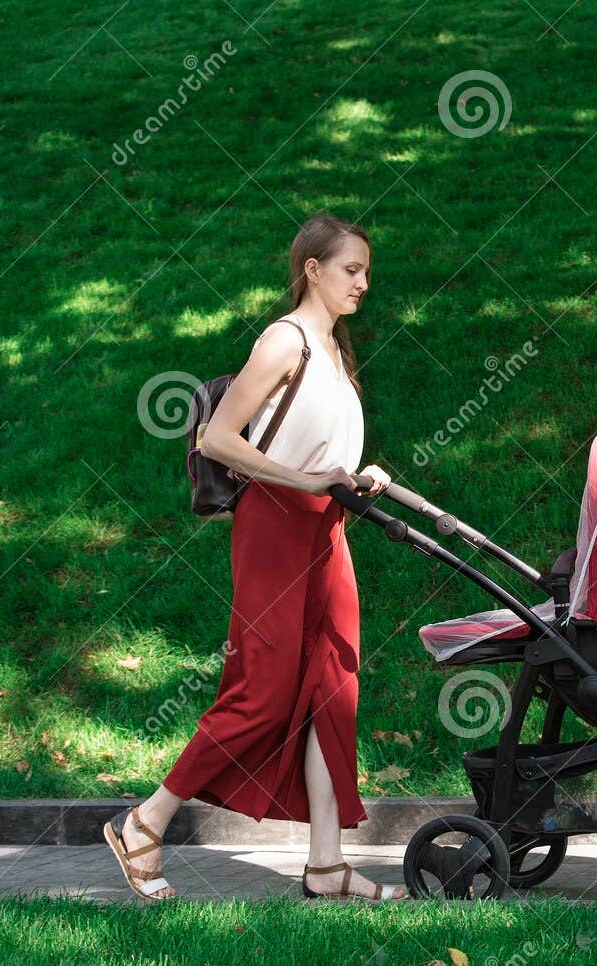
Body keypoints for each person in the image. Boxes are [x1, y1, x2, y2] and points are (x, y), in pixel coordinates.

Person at [103, 213, 406, 903]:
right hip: (275, 530)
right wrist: (306, 480)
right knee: (263, 694)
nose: (364, 282)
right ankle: (143, 822)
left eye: (365, 270)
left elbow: (318, 448)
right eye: (351, 269)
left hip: (326, 530)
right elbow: (216, 438)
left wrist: (356, 476)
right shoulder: (286, 340)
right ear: (313, 269)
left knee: (337, 688)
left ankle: (327, 865)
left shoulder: (332, 350)